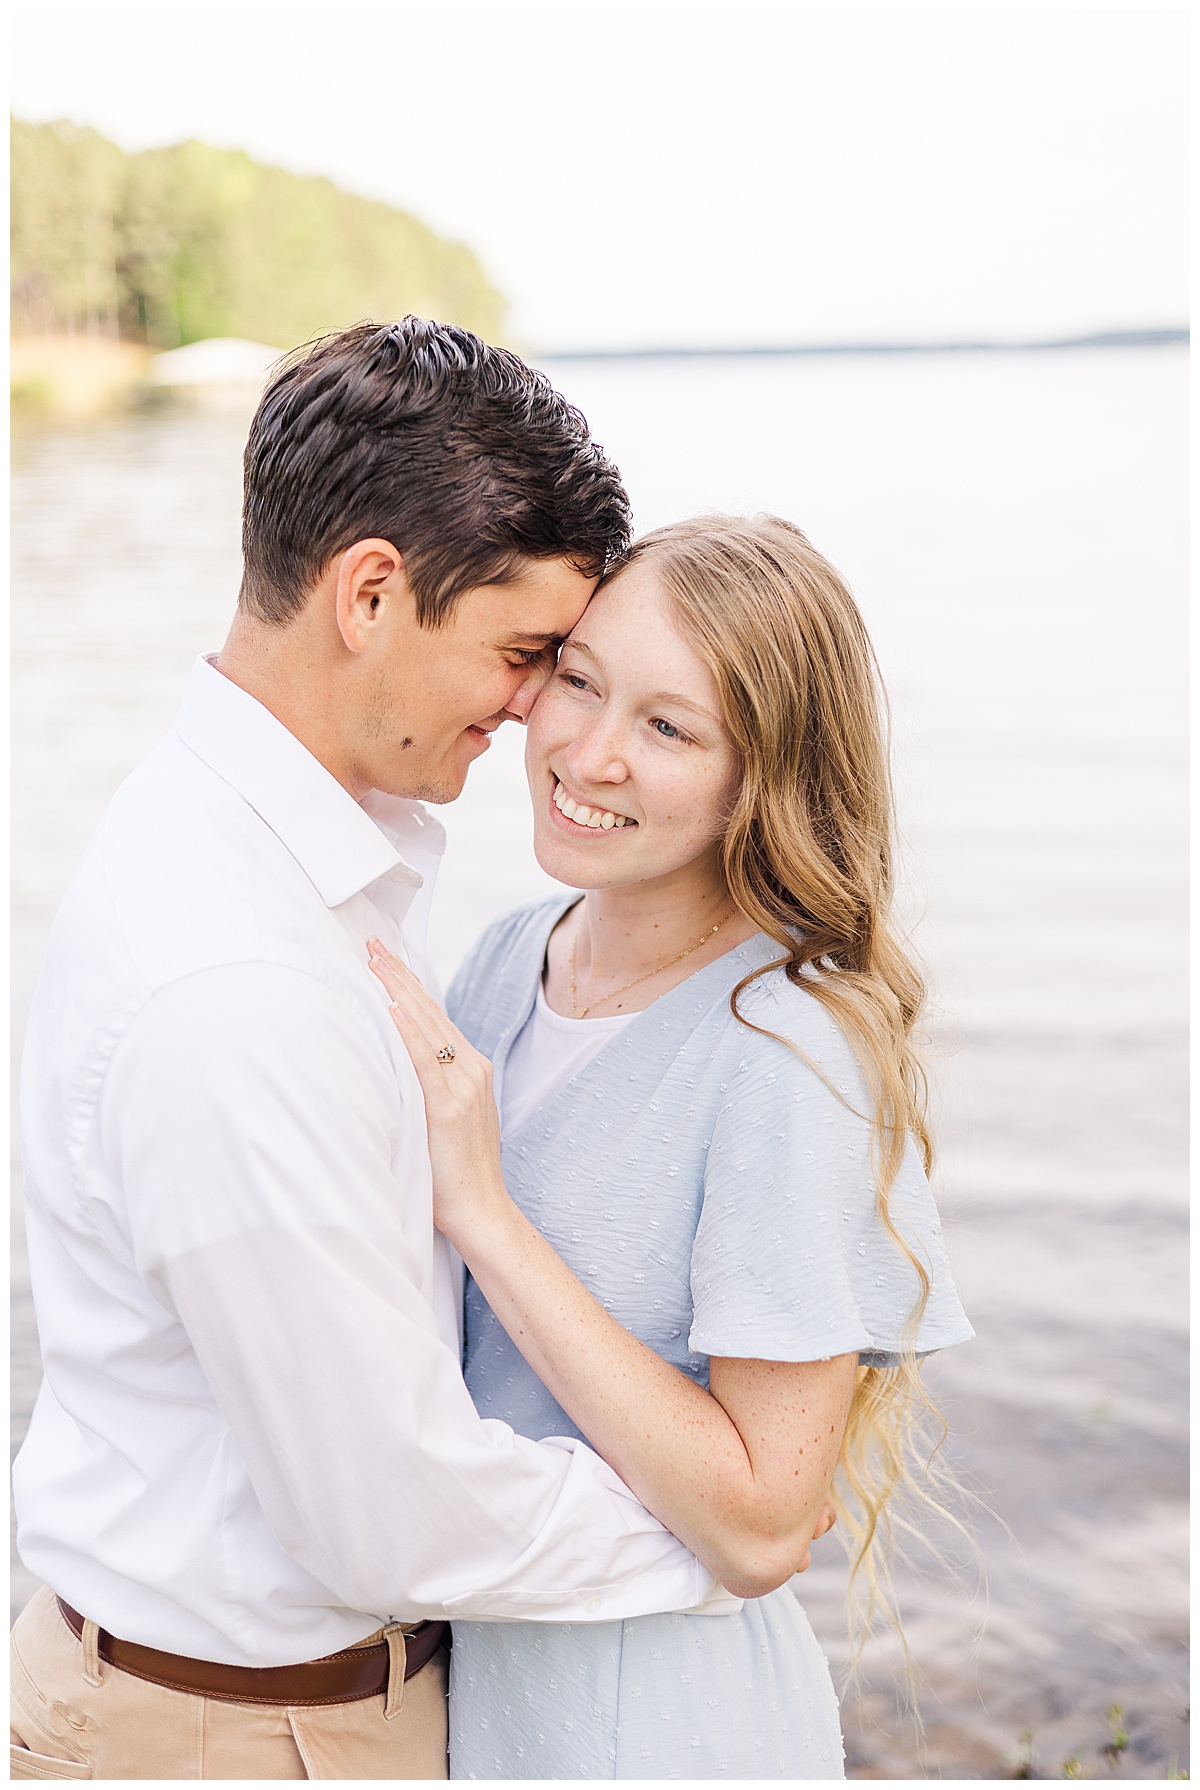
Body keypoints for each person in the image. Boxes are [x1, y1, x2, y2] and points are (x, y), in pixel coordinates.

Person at [9, 321, 763, 1783]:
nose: (538, 708)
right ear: (368, 593)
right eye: (525, 653)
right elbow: (388, 1514)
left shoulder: (266, 856)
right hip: (239, 1738)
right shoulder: (239, 976)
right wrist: (722, 1529)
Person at [369, 513, 975, 1779]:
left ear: (764, 777)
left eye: (668, 727)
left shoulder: (785, 1051)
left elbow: (761, 1524)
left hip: (656, 1729)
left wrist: (486, 1212)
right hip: (481, 1704)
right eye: (579, 680)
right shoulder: (510, 955)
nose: (589, 753)